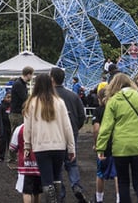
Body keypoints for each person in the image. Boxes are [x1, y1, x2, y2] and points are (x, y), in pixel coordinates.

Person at [96, 73, 138, 203]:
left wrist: (100, 147)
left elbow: (106, 128)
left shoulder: (113, 101)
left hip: (120, 148)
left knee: (123, 183)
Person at [23, 73, 75, 203]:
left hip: (41, 147)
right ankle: (58, 200)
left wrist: (27, 145)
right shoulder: (59, 102)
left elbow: (27, 127)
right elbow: (67, 127)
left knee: (46, 179)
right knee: (57, 177)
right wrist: (71, 147)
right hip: (59, 146)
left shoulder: (31, 103)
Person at [49, 67, 87, 203]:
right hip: (71, 132)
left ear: (52, 78)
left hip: (54, 135)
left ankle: (60, 194)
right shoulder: (73, 96)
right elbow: (82, 116)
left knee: (56, 166)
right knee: (72, 163)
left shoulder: (48, 97)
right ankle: (76, 185)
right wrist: (75, 128)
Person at [91, 85, 119, 203]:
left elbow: (96, 129)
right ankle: (119, 198)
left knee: (100, 173)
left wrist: (96, 144)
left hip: (103, 146)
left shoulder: (98, 111)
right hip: (116, 143)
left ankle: (99, 199)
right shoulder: (115, 109)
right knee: (117, 174)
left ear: (99, 98)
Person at [10, 123, 42, 203]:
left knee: (27, 192)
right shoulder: (41, 127)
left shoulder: (19, 129)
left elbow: (12, 147)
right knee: (37, 191)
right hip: (39, 164)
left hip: (25, 166)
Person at [9, 66, 34, 165]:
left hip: (19, 113)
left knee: (20, 135)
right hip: (16, 114)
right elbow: (25, 98)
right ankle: (12, 159)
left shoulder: (21, 84)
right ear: (28, 74)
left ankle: (18, 158)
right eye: (31, 74)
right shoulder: (19, 84)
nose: (32, 76)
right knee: (16, 136)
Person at [0, 92, 12, 162]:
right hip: (3, 127)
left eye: (11, 97)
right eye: (8, 97)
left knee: (11, 142)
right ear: (4, 97)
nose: (9, 99)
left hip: (11, 126)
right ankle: (0, 156)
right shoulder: (1, 107)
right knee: (3, 142)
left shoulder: (14, 106)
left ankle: (11, 157)